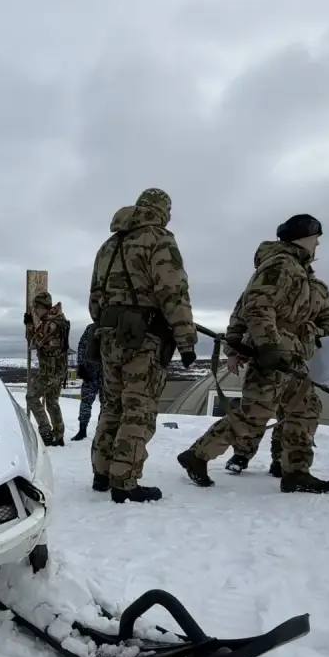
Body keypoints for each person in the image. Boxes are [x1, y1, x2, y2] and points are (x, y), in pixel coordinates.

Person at [177, 214, 329, 492]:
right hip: (272, 355)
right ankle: (197, 455)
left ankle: (296, 472)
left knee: (305, 411)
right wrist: (262, 347)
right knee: (253, 416)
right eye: (317, 239)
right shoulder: (281, 265)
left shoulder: (307, 279)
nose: (318, 246)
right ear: (304, 238)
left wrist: (311, 330)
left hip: (296, 359)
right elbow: (253, 308)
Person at [88, 187, 197, 503]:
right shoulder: (159, 239)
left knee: (112, 405)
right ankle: (124, 482)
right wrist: (186, 340)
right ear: (163, 210)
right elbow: (173, 291)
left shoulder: (109, 244)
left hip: (108, 333)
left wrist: (108, 322)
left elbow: (95, 297)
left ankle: (102, 472)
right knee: (139, 409)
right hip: (143, 337)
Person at [25, 291, 71, 446]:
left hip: (48, 372)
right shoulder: (60, 320)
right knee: (52, 402)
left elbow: (34, 342)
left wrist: (30, 325)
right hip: (59, 371)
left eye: (36, 308)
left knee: (31, 396)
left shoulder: (48, 325)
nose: (36, 311)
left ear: (43, 307)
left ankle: (45, 429)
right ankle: (59, 435)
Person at [70, 322, 100, 441]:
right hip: (93, 371)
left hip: (103, 372)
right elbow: (82, 345)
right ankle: (82, 430)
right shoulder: (91, 328)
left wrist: (81, 365)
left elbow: (81, 346)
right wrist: (81, 366)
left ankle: (101, 432)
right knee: (87, 402)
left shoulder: (92, 327)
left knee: (105, 405)